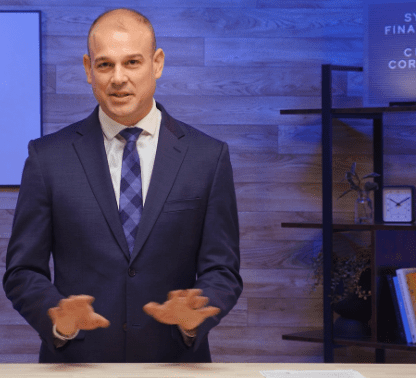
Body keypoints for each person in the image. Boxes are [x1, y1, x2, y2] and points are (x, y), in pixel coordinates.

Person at [3, 8, 242, 363]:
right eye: (104, 65)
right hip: (77, 365)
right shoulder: (46, 158)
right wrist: (58, 318)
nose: (118, 78)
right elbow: (23, 270)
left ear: (156, 63)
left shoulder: (207, 157)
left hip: (174, 363)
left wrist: (195, 316)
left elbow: (222, 269)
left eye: (132, 62)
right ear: (87, 69)